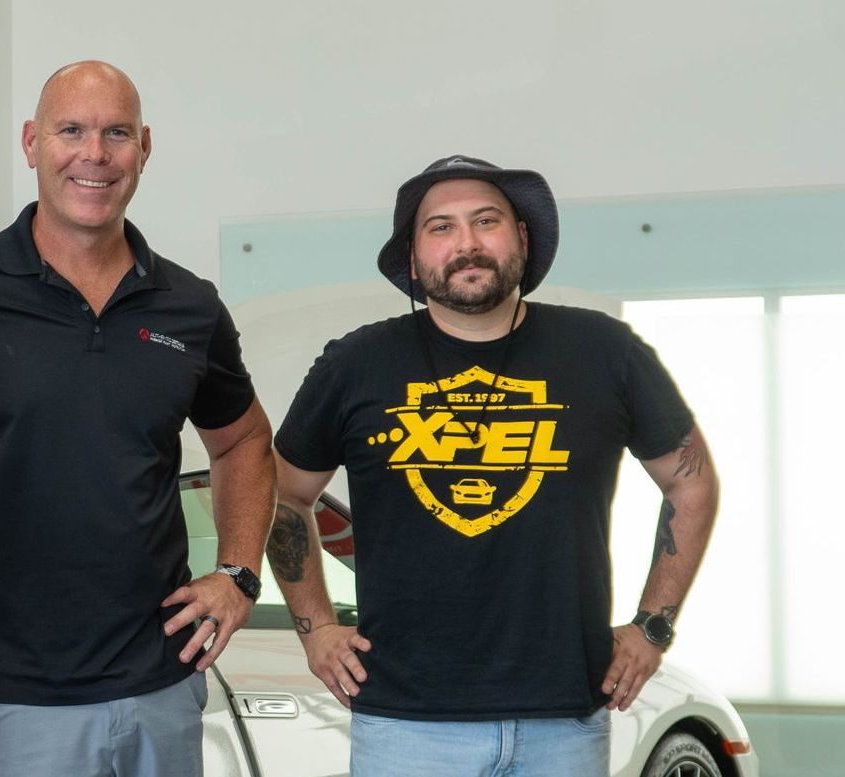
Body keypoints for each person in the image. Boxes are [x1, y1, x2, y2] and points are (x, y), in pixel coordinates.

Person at [0, 61, 277, 777]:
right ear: (31, 142)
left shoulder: (189, 306)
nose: (94, 155)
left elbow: (245, 440)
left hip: (164, 686)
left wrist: (238, 572)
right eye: (71, 130)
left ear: (145, 147)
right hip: (14, 701)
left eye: (117, 133)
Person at [268, 155, 718, 776]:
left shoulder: (604, 352)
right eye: (441, 227)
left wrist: (652, 627)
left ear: (522, 238)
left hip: (563, 720)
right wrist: (316, 628)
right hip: (405, 725)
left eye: (486, 221)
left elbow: (691, 484)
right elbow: (282, 495)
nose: (467, 243)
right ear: (413, 256)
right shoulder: (357, 364)